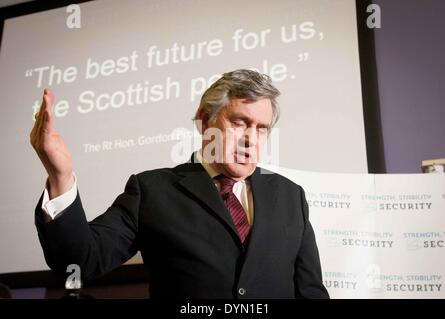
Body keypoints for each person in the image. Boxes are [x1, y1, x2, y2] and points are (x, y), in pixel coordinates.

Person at [31, 69, 329, 299]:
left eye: (261, 128)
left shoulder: (290, 196)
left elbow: (311, 291)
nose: (251, 138)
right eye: (239, 122)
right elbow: (81, 263)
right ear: (204, 121)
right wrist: (60, 176)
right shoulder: (151, 190)